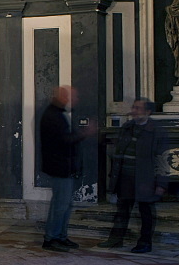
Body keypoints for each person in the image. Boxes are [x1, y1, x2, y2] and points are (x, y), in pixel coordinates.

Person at [98, 97, 169, 253]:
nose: (134, 111)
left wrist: (161, 183)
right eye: (134, 107)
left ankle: (145, 242)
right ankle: (116, 239)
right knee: (122, 210)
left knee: (145, 212)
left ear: (148, 111)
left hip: (145, 178)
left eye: (138, 108)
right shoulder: (127, 127)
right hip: (125, 176)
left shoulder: (156, 131)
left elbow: (162, 158)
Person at [39, 86, 95, 253]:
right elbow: (63, 140)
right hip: (59, 166)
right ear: (63, 97)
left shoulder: (57, 114)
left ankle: (60, 236)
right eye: (72, 96)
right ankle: (51, 238)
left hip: (63, 166)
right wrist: (85, 132)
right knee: (61, 205)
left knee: (64, 204)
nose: (74, 99)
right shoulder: (52, 116)